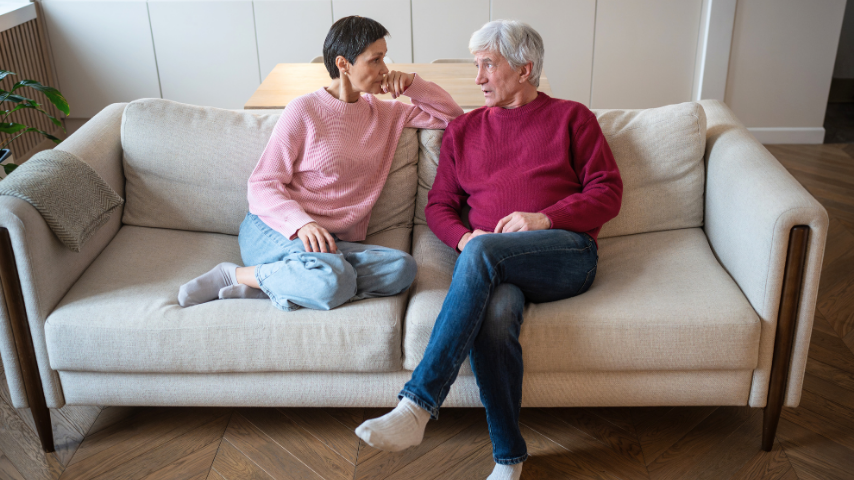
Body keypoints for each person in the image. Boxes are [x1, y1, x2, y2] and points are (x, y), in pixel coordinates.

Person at [355, 20, 623, 480]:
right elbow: (439, 205)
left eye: (487, 65)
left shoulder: (573, 118)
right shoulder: (464, 131)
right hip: (494, 268)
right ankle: (509, 458)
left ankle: (417, 405)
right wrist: (463, 239)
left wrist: (546, 218)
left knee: (482, 254)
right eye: (475, 65)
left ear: (525, 69)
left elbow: (608, 192)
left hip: (566, 254)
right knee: (495, 316)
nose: (477, 78)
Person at [177, 16, 463, 311]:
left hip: (328, 245)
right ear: (344, 64)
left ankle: (278, 286)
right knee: (331, 280)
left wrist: (414, 85)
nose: (384, 69)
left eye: (384, 59)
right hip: (276, 229)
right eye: (375, 60)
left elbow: (454, 119)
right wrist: (303, 224)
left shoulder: (387, 114)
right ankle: (235, 274)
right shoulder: (303, 110)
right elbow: (262, 184)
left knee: (401, 269)